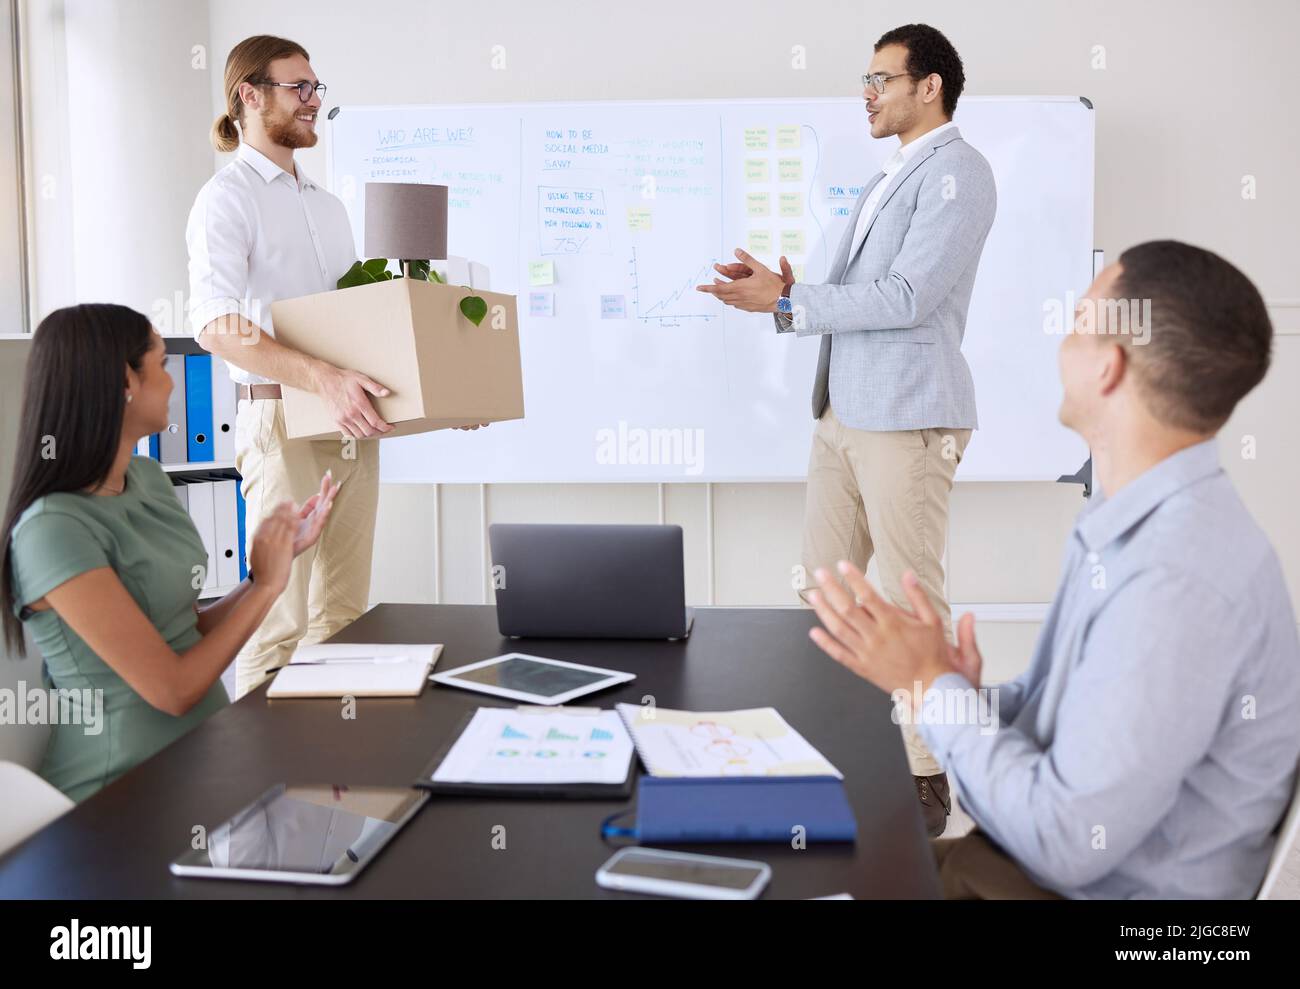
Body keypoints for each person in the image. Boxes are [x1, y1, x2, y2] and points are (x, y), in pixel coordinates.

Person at [806, 241, 1300, 899]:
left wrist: (931, 687)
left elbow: (1066, 840)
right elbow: (1063, 718)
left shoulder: (1176, 579)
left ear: (1108, 367)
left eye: (1076, 324)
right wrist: (944, 686)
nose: (1060, 343)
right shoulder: (1131, 515)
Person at [698, 23, 996, 836]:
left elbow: (905, 298)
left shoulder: (958, 173)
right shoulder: (884, 181)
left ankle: (927, 776)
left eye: (880, 79)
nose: (865, 94)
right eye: (863, 80)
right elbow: (839, 291)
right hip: (841, 413)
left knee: (907, 596)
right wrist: (782, 286)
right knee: (828, 591)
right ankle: (842, 747)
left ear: (928, 86)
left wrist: (790, 305)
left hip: (905, 416)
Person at [190, 35, 485, 699]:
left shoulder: (327, 206)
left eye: (317, 89)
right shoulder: (226, 198)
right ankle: (263, 791)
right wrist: (320, 377)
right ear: (249, 94)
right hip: (281, 417)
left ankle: (324, 781)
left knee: (344, 616)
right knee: (279, 618)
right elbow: (215, 326)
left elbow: (357, 332)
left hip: (350, 422)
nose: (314, 101)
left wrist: (445, 393)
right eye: (301, 88)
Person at [1, 304, 338, 802]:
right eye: (160, 364)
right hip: (116, 802)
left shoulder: (147, 479)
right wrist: (266, 588)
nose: (173, 382)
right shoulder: (52, 530)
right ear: (124, 380)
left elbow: (186, 631)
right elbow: (174, 690)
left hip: (203, 764)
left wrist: (266, 571)